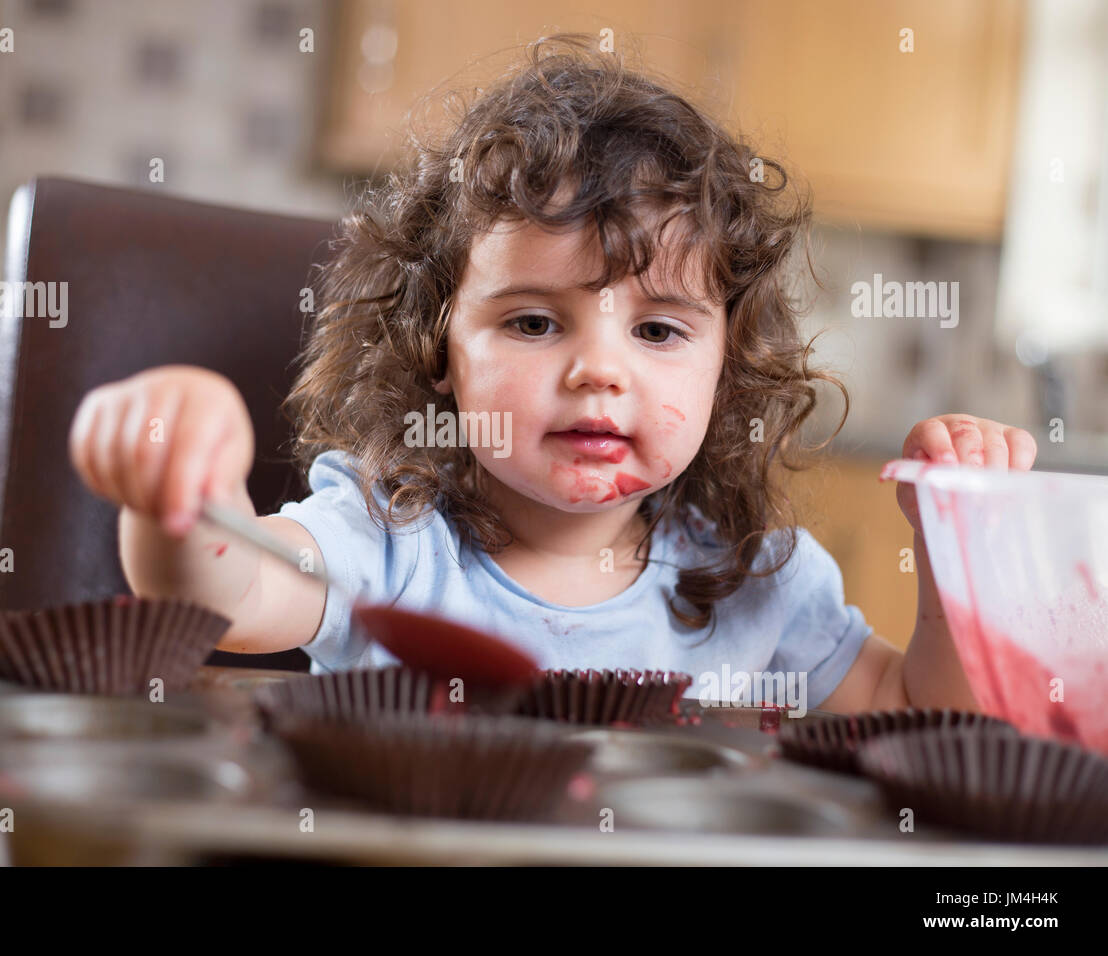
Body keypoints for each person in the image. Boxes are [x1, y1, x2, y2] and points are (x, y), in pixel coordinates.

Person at [68, 35, 1035, 714]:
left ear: (725, 369)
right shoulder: (388, 545)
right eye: (534, 321)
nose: (598, 374)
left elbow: (920, 713)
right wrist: (179, 486)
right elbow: (219, 595)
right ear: (440, 346)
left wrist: (960, 556)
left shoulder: (752, 589)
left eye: (658, 331)